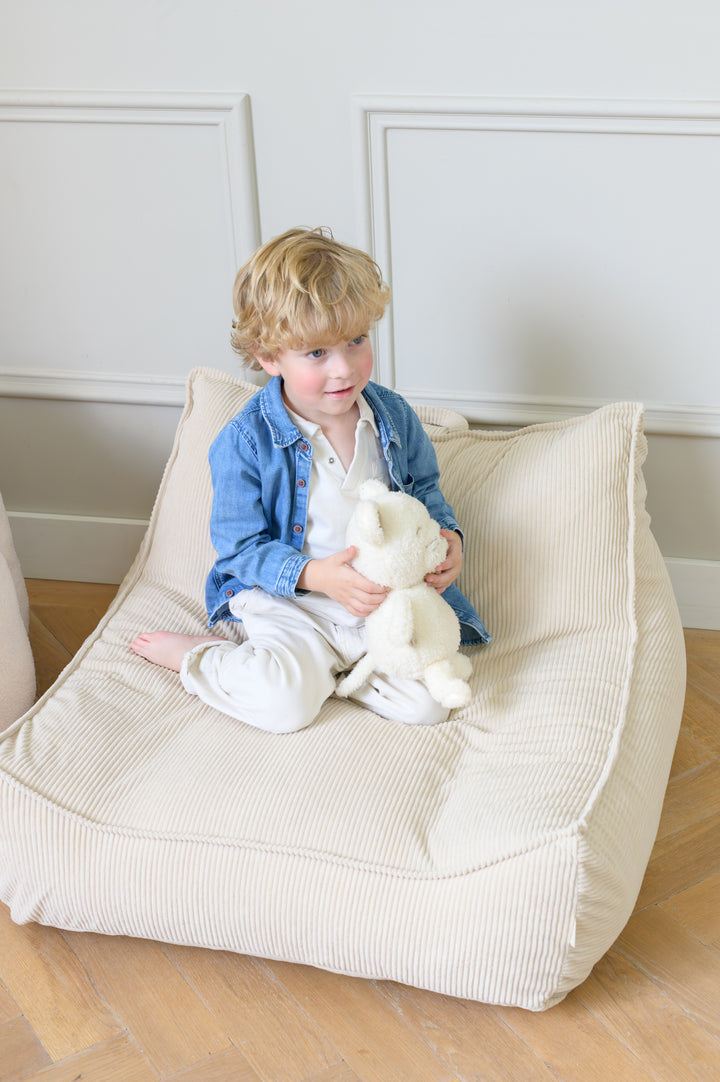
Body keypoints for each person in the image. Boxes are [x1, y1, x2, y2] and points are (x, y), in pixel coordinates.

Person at [131, 227, 488, 732]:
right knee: (284, 709)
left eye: (356, 341)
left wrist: (448, 538)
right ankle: (208, 657)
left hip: (377, 606)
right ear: (268, 357)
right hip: (292, 605)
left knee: (430, 706)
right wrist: (316, 576)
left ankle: (336, 671)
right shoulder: (245, 441)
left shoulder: (392, 416)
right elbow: (239, 548)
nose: (343, 369)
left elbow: (424, 492)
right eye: (316, 353)